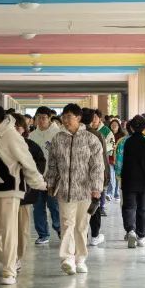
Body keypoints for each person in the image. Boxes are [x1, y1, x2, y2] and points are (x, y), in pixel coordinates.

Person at [0, 104, 46, 285]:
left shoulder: (12, 136)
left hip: (10, 191)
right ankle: (10, 260)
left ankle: (9, 271)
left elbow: (28, 162)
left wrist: (40, 184)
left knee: (9, 231)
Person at [44, 103, 104, 275]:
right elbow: (52, 163)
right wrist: (50, 183)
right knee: (66, 224)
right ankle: (67, 259)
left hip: (85, 191)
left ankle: (80, 259)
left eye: (69, 116)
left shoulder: (90, 139)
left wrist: (96, 188)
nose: (65, 120)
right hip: (64, 190)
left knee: (81, 226)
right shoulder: (57, 139)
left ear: (78, 118)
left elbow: (97, 166)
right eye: (64, 116)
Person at [115, 115, 145, 248]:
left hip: (128, 179)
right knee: (143, 208)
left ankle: (130, 230)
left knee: (128, 206)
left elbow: (119, 163)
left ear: (131, 127)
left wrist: (119, 176)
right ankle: (141, 236)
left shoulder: (123, 142)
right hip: (144, 181)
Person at [12, 113, 46, 271]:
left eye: (17, 127)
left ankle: (17, 257)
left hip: (24, 194)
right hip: (2, 194)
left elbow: (39, 165)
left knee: (21, 228)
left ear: (23, 129)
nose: (14, 130)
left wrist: (30, 178)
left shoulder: (31, 146)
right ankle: (8, 256)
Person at [28, 106, 62, 244]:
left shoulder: (57, 134)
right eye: (38, 117)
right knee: (38, 207)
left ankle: (60, 229)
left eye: (44, 118)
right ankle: (43, 234)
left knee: (54, 205)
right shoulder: (32, 136)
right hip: (36, 177)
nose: (41, 120)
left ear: (49, 119)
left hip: (53, 177)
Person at [82, 108, 111, 246]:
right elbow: (103, 158)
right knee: (94, 206)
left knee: (80, 208)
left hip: (78, 179)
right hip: (94, 177)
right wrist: (105, 178)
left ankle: (83, 235)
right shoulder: (97, 135)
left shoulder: (72, 134)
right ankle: (94, 235)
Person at [89, 109, 113, 215]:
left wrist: (100, 149)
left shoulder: (106, 130)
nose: (94, 119)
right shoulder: (86, 129)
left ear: (100, 119)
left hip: (102, 159)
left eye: (96, 117)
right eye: (92, 117)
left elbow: (111, 144)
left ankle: (101, 206)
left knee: (101, 183)